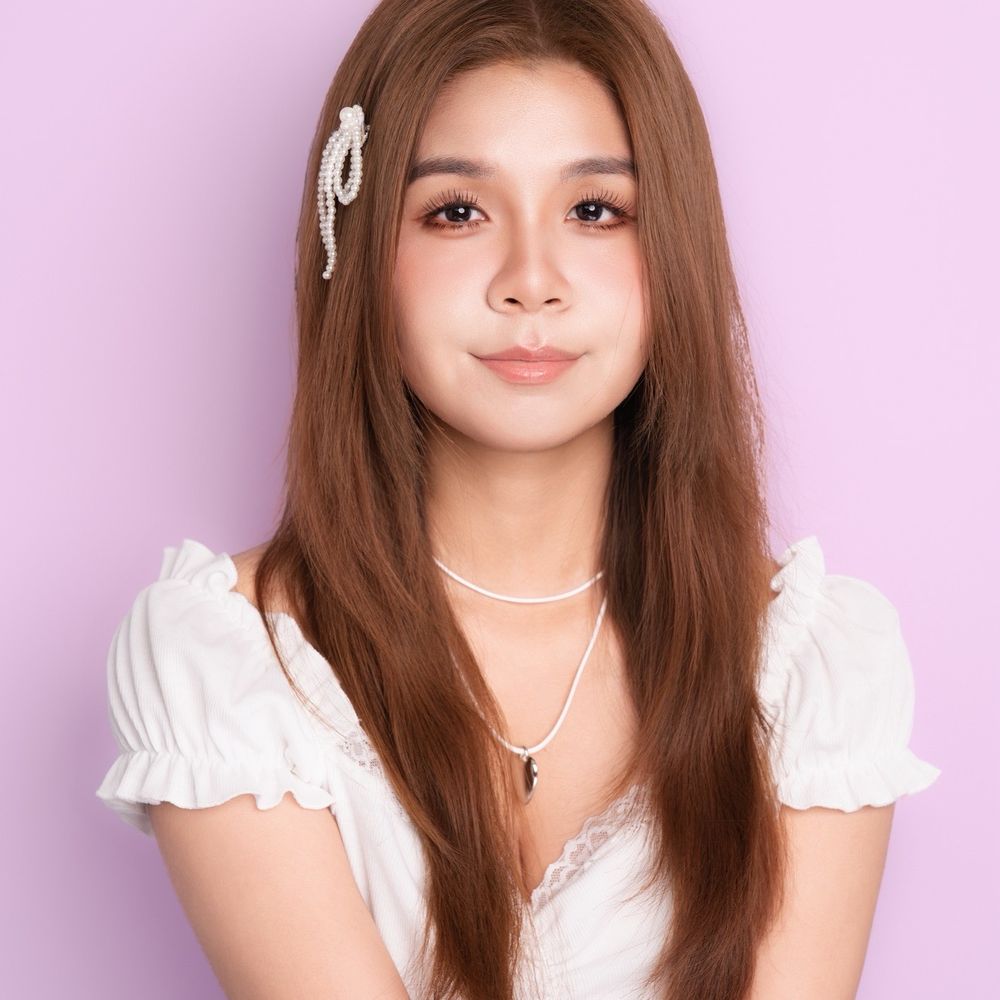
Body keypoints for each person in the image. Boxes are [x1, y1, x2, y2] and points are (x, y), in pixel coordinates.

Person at [94, 1, 942, 998]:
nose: (531, 282)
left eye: (595, 210)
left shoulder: (811, 671)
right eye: (457, 211)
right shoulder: (228, 665)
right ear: (359, 250)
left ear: (675, 246)